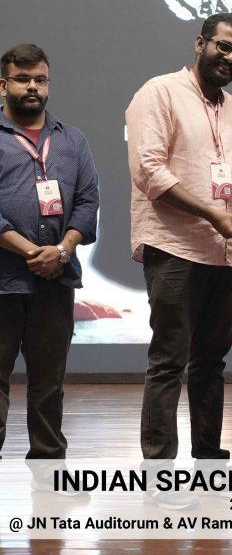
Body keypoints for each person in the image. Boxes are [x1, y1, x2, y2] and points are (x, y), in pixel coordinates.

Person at [126, 13, 232, 473]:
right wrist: (211, 214)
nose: (230, 58)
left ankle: (209, 461)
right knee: (169, 361)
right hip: (176, 247)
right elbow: (149, 171)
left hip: (227, 252)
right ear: (200, 43)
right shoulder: (159, 92)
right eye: (223, 47)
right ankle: (159, 471)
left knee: (212, 361)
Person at [0, 43, 99, 460]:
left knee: (48, 384)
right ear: (3, 85)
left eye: (40, 79)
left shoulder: (71, 140)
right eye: (22, 79)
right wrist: (32, 253)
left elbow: (88, 202)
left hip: (56, 281)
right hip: (3, 283)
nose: (32, 87)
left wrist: (60, 250)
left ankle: (49, 468)